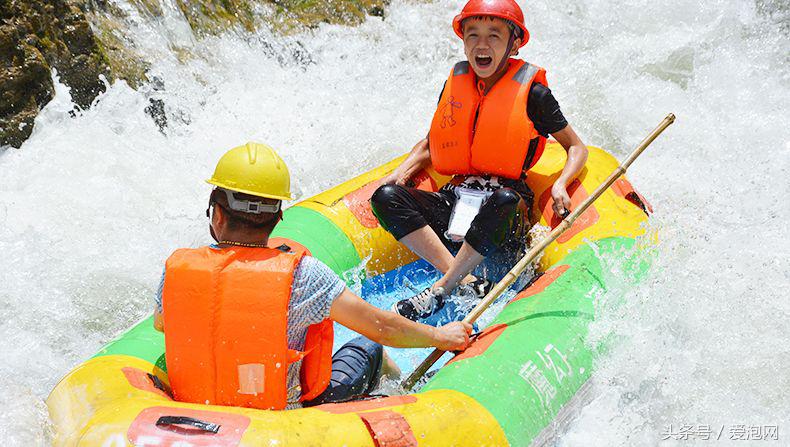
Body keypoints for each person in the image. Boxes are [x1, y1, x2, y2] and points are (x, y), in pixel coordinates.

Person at [153, 142, 472, 410]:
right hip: (286, 416)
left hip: (198, 412)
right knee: (371, 347)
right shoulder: (303, 276)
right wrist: (441, 336)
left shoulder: (177, 270)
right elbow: (383, 328)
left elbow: (162, 323)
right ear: (278, 219)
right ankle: (390, 399)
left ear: (216, 214)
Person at [370, 0, 589, 321]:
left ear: (514, 43)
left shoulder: (534, 94)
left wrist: (560, 184)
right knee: (385, 197)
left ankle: (439, 290)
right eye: (472, 35)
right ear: (463, 40)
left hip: (504, 212)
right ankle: (466, 280)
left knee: (503, 200)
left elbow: (576, 147)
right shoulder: (455, 84)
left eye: (493, 36)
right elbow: (434, 140)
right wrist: (400, 173)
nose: (481, 45)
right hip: (456, 200)